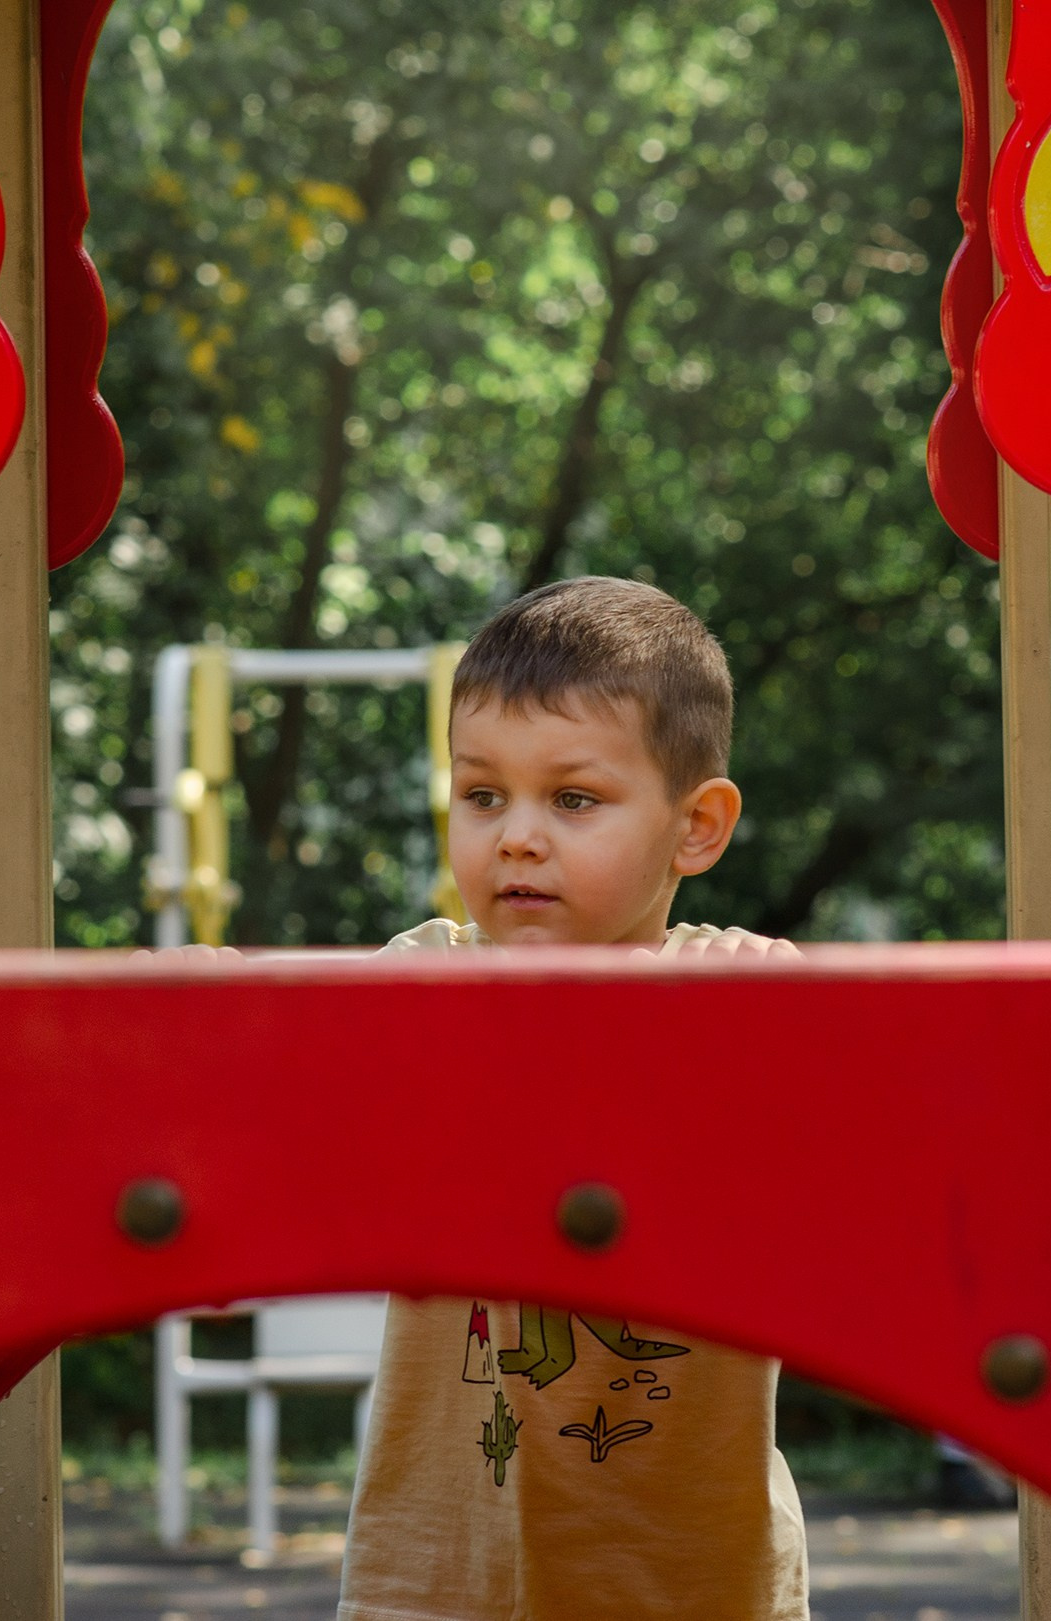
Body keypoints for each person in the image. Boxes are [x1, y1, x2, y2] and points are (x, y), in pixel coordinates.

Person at [337, 576, 810, 1621]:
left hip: (694, 1590)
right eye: (482, 795)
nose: (514, 836)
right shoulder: (421, 981)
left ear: (695, 827)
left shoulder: (732, 998)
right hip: (441, 1587)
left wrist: (773, 1012)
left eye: (574, 799)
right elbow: (287, 1074)